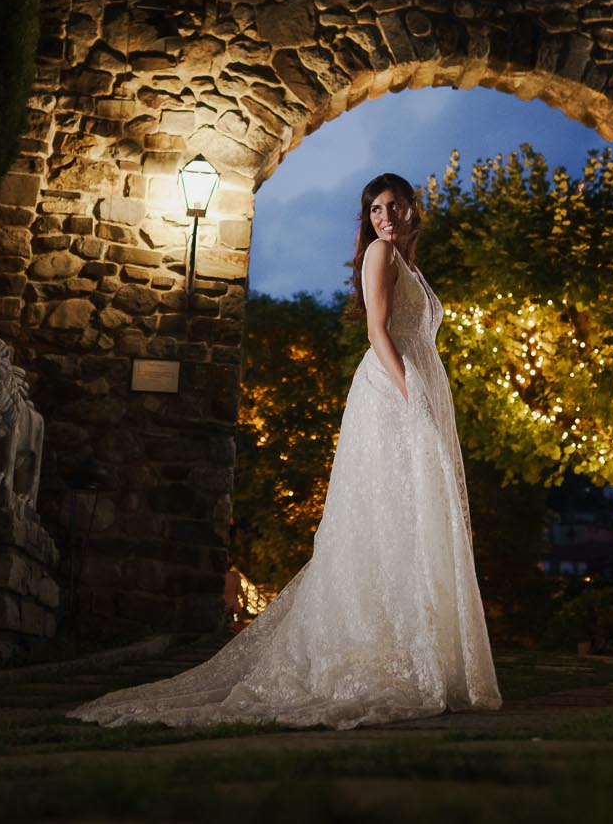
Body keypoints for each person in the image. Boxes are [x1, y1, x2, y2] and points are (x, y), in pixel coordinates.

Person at [68, 172, 501, 729]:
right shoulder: (379, 256)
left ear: (414, 210)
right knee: (391, 517)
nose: (385, 217)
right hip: (394, 393)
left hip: (412, 387)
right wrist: (410, 395)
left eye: (394, 206)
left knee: (414, 519)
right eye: (374, 209)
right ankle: (385, 653)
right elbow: (377, 331)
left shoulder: (407, 263)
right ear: (367, 219)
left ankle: (426, 657)